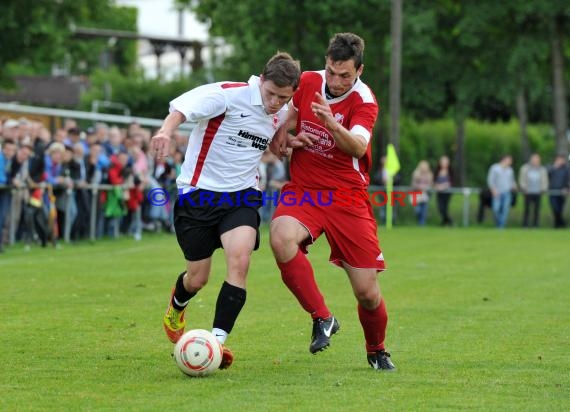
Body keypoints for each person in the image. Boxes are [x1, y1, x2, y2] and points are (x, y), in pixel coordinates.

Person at [150, 52, 301, 370]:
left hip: (241, 197)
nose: (275, 102)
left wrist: (280, 138)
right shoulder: (227, 94)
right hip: (198, 195)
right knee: (197, 278)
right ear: (261, 79)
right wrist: (165, 132)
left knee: (240, 260)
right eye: (271, 93)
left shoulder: (284, 109)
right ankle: (176, 306)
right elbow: (182, 108)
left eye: (282, 97)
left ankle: (216, 343)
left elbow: (277, 127)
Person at [270, 33, 395, 370]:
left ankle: (377, 350)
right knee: (281, 237)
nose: (336, 81)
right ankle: (322, 317)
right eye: (331, 72)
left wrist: (330, 123)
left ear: (359, 71)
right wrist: (283, 133)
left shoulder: (364, 100)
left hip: (348, 198)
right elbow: (286, 114)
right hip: (306, 189)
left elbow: (357, 146)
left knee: (368, 293)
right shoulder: (308, 81)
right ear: (325, 64)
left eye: (345, 76)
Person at [518, 153, 548, 228]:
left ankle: (535, 224)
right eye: (534, 159)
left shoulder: (542, 169)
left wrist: (543, 188)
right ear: (531, 160)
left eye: (537, 159)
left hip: (538, 192)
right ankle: (525, 224)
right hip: (527, 192)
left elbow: (545, 180)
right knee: (527, 209)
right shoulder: (525, 168)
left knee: (537, 210)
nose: (535, 161)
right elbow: (522, 179)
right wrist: (523, 188)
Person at [487, 154, 517, 228]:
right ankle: (498, 223)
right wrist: (493, 190)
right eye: (509, 160)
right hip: (497, 192)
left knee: (505, 211)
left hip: (507, 193)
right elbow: (490, 180)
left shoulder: (510, 170)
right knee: (496, 209)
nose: (510, 162)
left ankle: (501, 227)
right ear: (504, 160)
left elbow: (512, 181)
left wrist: (514, 186)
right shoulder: (494, 168)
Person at [547, 154, 569, 228]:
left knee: (560, 208)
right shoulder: (551, 168)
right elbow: (547, 175)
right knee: (555, 208)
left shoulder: (566, 169)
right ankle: (562, 223)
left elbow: (567, 179)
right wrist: (554, 167)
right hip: (553, 191)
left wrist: (567, 187)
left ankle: (557, 225)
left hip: (562, 192)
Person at [411, 160, 433, 226]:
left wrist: (426, 187)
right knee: (417, 210)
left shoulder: (429, 175)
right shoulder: (416, 174)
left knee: (424, 210)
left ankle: (422, 224)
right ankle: (419, 221)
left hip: (425, 195)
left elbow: (431, 185)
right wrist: (419, 186)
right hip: (416, 195)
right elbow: (413, 184)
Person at [434, 155, 453, 226]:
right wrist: (438, 186)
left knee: (445, 208)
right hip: (439, 192)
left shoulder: (450, 171)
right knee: (440, 208)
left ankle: (446, 222)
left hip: (447, 193)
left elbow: (451, 182)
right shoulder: (437, 171)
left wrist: (444, 186)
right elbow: (434, 181)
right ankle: (447, 221)